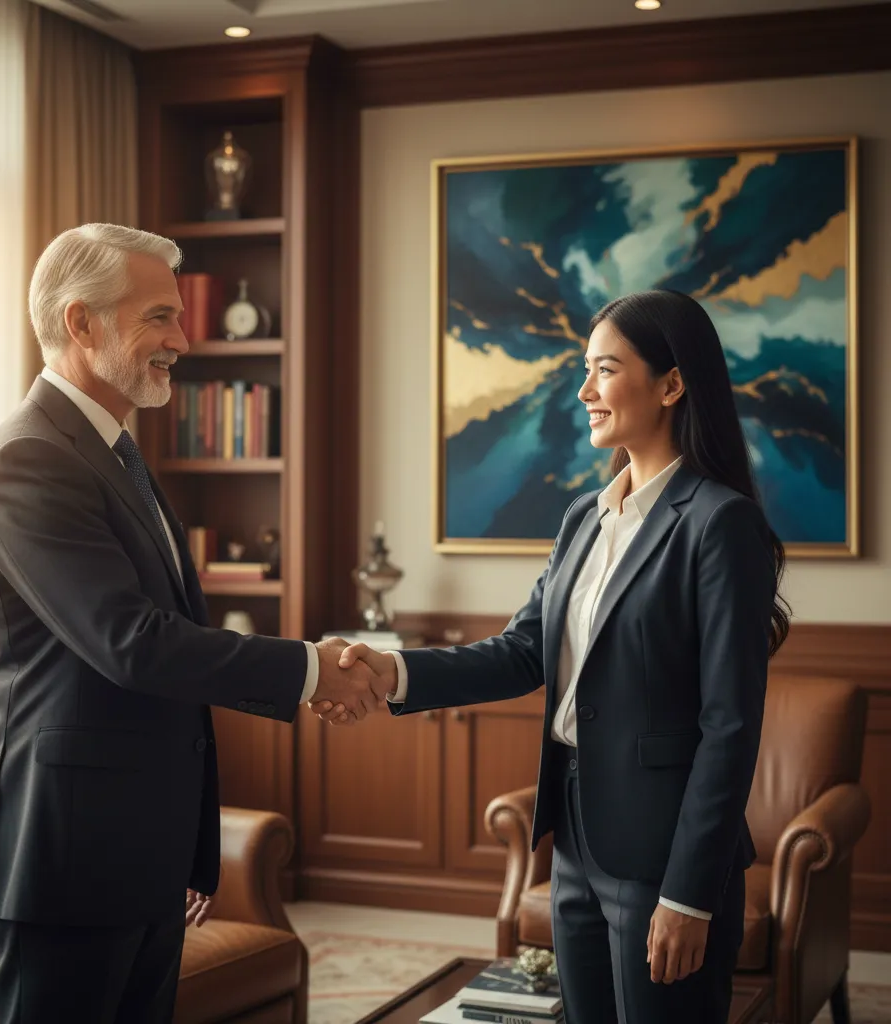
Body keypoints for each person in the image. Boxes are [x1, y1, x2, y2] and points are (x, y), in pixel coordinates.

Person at [313, 290, 790, 1024]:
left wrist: (688, 892)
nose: (585, 390)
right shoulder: (584, 516)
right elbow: (523, 651)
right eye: (584, 370)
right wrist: (391, 670)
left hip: (664, 854)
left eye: (605, 369)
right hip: (574, 836)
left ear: (671, 384)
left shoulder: (720, 524)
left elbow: (730, 728)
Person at [0, 223, 382, 1024]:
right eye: (160, 317)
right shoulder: (29, 458)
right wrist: (311, 669)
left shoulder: (111, 453)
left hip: (134, 851)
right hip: (69, 855)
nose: (183, 341)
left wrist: (185, 849)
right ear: (82, 323)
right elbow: (132, 644)